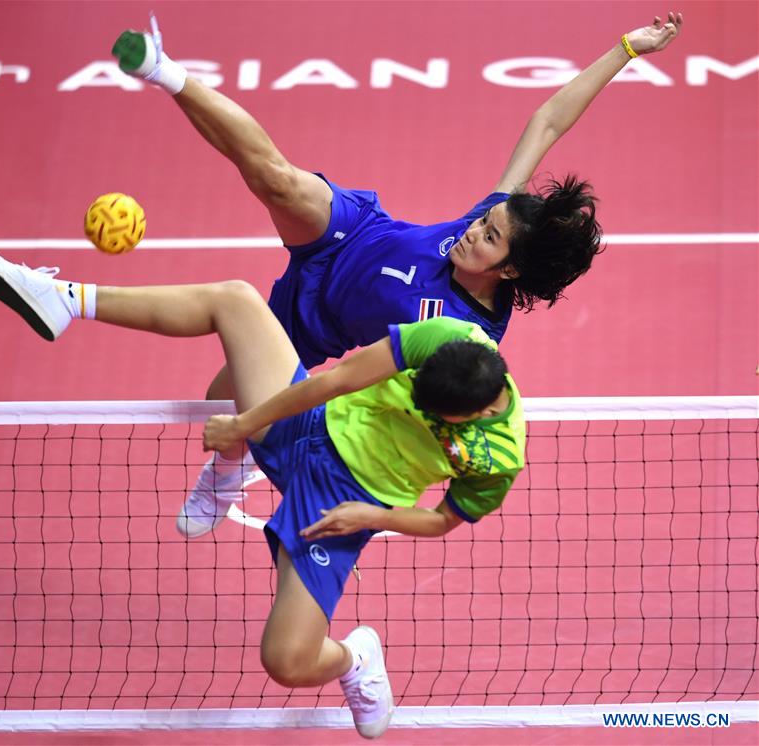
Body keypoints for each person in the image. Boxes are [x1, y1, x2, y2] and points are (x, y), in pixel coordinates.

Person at [109, 11, 684, 536]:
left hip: (313, 323)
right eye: (482, 219)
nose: (472, 230)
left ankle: (226, 471)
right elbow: (548, 122)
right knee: (276, 179)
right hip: (351, 231)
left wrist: (369, 494)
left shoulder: (463, 339)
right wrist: (627, 49)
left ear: (508, 269)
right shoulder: (491, 226)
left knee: (223, 400)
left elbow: (406, 408)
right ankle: (162, 69)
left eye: (487, 237)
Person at [0, 249, 527, 738]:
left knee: (286, 661)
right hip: (309, 423)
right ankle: (67, 298)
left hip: (341, 500)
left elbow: (442, 521)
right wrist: (244, 427)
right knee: (236, 300)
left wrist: (374, 514)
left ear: (479, 411)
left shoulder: (497, 458)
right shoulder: (448, 339)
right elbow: (335, 379)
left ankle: (355, 658)